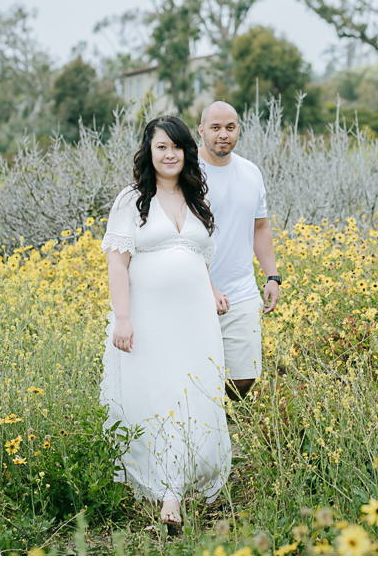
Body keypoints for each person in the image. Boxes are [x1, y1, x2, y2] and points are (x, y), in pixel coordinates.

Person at [100, 115, 231, 530]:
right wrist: (123, 318)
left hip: (196, 321)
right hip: (149, 318)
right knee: (159, 396)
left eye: (176, 146)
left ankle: (182, 481)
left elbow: (196, 256)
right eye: (161, 147)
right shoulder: (131, 200)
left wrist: (210, 291)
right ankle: (168, 495)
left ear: (186, 152)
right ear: (149, 152)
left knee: (194, 395)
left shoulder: (195, 199)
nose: (170, 154)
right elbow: (117, 265)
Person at [198, 102, 281, 400]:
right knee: (194, 373)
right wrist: (208, 287)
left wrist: (273, 276)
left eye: (230, 128)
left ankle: (218, 420)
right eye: (215, 128)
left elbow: (260, 227)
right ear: (201, 130)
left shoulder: (250, 172)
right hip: (194, 290)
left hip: (241, 290)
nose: (223, 134)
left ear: (238, 130)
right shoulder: (187, 173)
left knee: (244, 377)